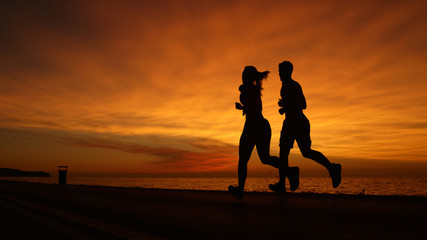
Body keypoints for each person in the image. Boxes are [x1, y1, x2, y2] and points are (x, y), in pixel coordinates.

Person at [269, 61, 342, 193]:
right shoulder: (295, 85)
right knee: (304, 152)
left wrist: (284, 109)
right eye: (279, 71)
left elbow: (298, 106)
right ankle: (332, 168)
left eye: (281, 71)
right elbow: (303, 104)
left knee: (286, 153)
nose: (279, 73)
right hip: (300, 121)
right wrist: (285, 105)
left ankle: (284, 181)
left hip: (293, 122)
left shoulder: (287, 87)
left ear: (287, 72)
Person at [228, 66, 282, 199]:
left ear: (248, 76)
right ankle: (290, 171)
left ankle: (240, 190)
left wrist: (242, 106)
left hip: (255, 125)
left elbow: (247, 96)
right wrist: (243, 107)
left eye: (243, 74)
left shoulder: (250, 88)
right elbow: (253, 105)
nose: (241, 76)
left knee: (246, 159)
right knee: (263, 158)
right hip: (259, 125)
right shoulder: (252, 89)